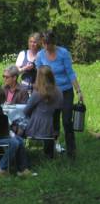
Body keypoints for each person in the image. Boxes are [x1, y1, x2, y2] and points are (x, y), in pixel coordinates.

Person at [35, 30, 84, 159]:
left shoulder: (63, 53)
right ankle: (49, 153)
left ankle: (71, 153)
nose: (46, 47)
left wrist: (78, 91)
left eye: (49, 44)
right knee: (51, 122)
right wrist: (38, 92)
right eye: (44, 44)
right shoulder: (40, 56)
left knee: (67, 121)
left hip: (66, 91)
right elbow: (39, 76)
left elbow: (70, 73)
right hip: (50, 93)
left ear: (53, 43)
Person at [0, 88, 33, 176]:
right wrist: (12, 134)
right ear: (2, 99)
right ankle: (2, 167)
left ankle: (23, 169)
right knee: (15, 142)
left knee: (19, 139)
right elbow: (3, 130)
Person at [24, 65, 63, 158]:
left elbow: (26, 111)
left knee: (18, 124)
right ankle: (49, 153)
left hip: (36, 127)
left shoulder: (37, 92)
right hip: (52, 127)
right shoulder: (59, 92)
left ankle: (20, 153)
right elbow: (58, 110)